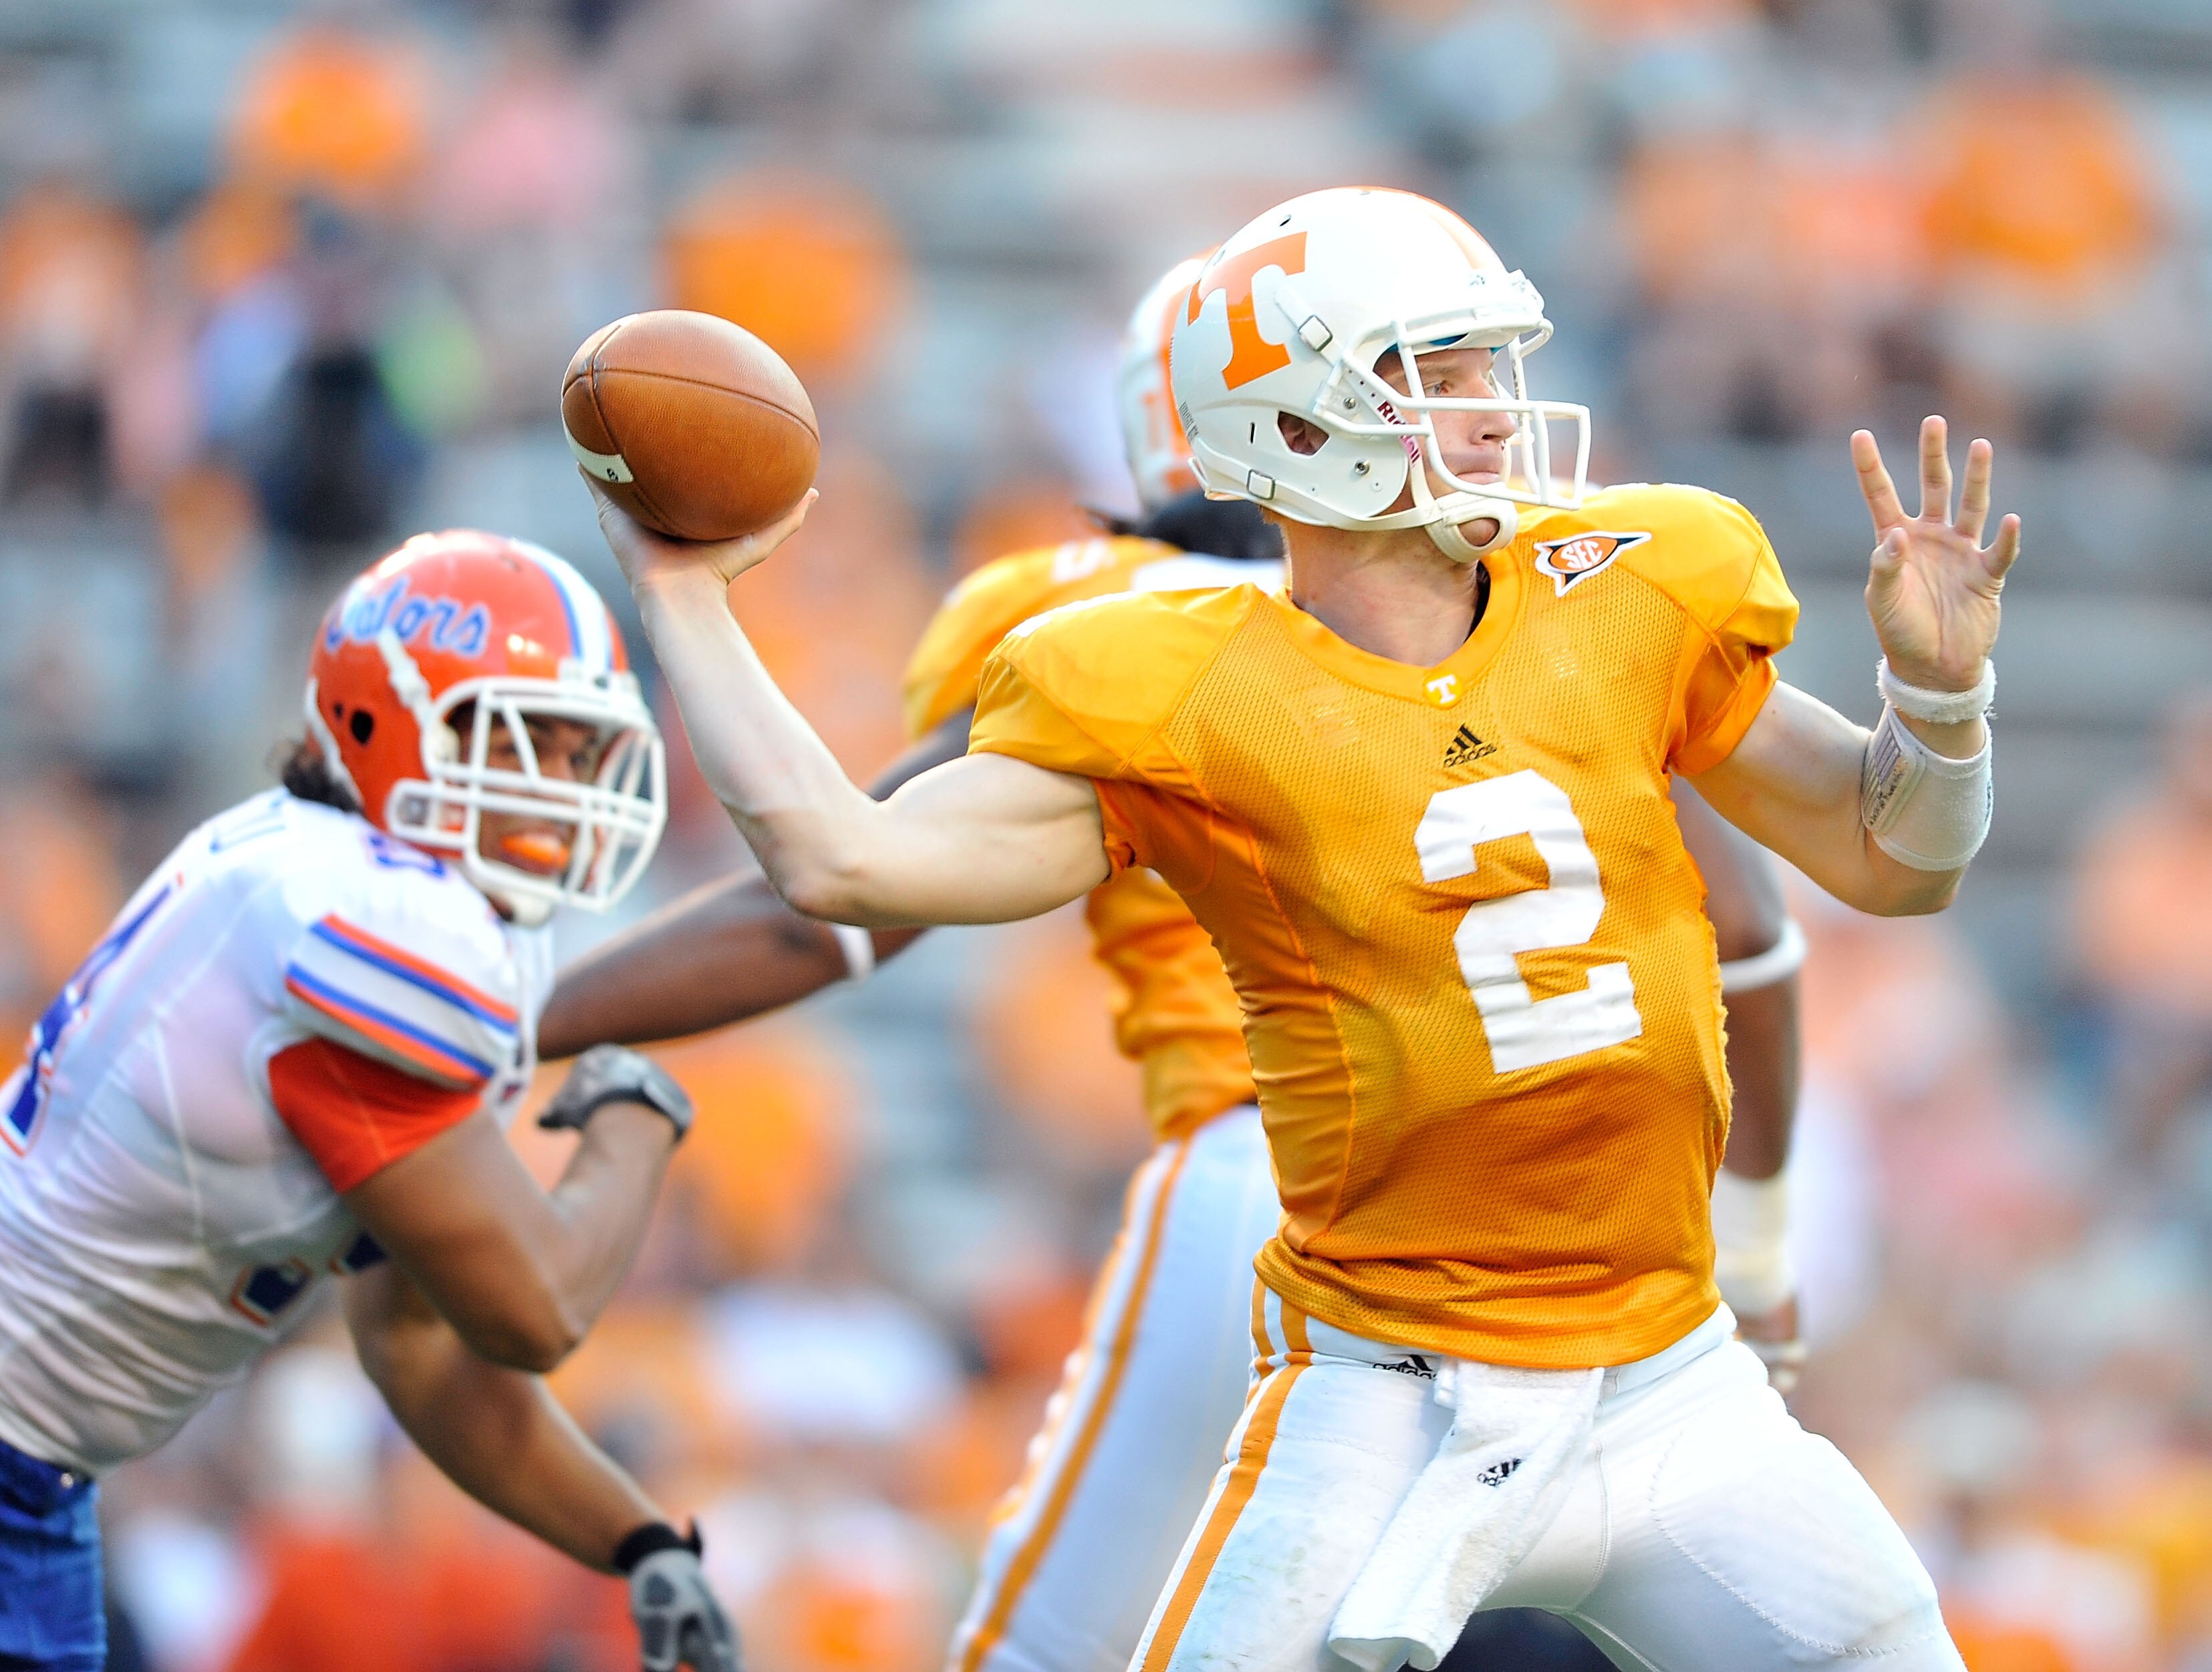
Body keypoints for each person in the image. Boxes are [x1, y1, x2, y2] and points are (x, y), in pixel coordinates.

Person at [593, 186, 2014, 1669]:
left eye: (1488, 368)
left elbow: (1891, 858)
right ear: (1294, 420)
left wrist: (1939, 701)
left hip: (1669, 1383)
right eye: (1437, 374)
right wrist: (681, 591)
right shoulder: (1179, 684)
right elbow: (840, 864)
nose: (1491, 412)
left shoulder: (1626, 586)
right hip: (1384, 1396)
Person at [0, 531, 736, 1672]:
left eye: (583, 754)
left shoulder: (343, 889)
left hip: (38, 1476)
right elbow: (536, 1307)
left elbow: (423, 1353)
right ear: (383, 722)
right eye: (531, 740)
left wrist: (634, 1535)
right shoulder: (371, 921)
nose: (567, 789)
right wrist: (635, 1115)